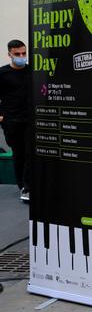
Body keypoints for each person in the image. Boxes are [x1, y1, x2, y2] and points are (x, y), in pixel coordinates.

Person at [0, 39, 31, 202]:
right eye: (17, 54)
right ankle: (22, 185)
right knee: (18, 154)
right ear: (9, 54)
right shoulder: (3, 73)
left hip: (29, 119)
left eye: (24, 53)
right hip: (11, 120)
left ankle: (28, 186)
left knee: (29, 152)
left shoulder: (31, 71)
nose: (21, 56)